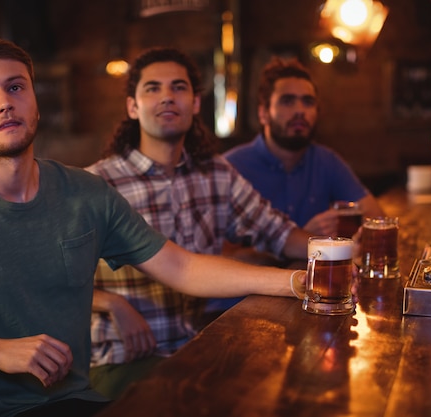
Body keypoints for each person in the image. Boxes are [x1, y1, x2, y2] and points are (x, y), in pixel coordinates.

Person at [0, 38, 309, 417]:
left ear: (35, 101)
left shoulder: (85, 193)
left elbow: (182, 268)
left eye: (16, 87)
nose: (4, 102)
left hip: (73, 402)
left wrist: (298, 281)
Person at [85, 47, 312, 400]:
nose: (166, 98)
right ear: (132, 107)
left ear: (194, 103)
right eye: (152, 89)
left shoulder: (217, 173)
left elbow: (279, 233)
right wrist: (111, 304)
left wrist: (338, 254)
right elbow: (49, 282)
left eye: (178, 87)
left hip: (201, 345)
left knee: (293, 390)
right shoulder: (98, 184)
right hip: (123, 358)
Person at [224, 57, 384, 237]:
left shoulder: (326, 161)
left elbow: (376, 218)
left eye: (308, 102)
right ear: (263, 113)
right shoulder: (231, 167)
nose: (300, 110)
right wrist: (300, 238)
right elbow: (220, 253)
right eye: (287, 101)